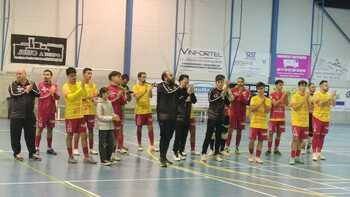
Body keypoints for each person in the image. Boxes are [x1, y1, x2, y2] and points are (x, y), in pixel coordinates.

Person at [62, 67, 96, 164]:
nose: (74, 78)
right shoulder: (65, 86)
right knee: (70, 135)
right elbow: (71, 98)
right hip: (70, 116)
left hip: (80, 115)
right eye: (71, 76)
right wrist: (81, 89)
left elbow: (84, 94)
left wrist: (83, 87)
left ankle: (86, 157)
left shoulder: (79, 84)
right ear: (68, 76)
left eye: (75, 75)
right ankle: (70, 156)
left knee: (84, 135)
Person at [8, 69, 41, 161]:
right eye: (17, 74)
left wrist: (31, 89)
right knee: (15, 136)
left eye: (20, 74)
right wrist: (26, 91)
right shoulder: (12, 85)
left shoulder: (31, 84)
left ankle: (32, 153)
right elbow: (14, 94)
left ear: (25, 75)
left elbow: (38, 94)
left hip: (29, 116)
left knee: (30, 135)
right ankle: (17, 153)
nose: (18, 75)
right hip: (16, 116)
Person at [201, 75, 231, 162]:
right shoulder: (212, 91)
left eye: (223, 82)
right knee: (209, 135)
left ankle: (217, 153)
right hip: (212, 116)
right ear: (216, 82)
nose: (221, 84)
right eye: (220, 82)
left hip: (220, 117)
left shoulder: (224, 91)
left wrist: (227, 92)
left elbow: (228, 103)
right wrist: (223, 93)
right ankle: (203, 153)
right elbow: (211, 100)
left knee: (218, 135)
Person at [73, 68, 98, 156]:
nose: (90, 75)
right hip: (81, 111)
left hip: (91, 111)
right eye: (88, 73)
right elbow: (77, 97)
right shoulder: (78, 84)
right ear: (83, 74)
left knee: (91, 130)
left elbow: (95, 96)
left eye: (91, 73)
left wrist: (95, 100)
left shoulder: (93, 85)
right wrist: (86, 98)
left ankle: (91, 148)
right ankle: (75, 148)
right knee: (78, 131)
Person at [157, 71, 179, 167]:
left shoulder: (175, 86)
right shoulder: (161, 86)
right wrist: (179, 87)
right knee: (164, 137)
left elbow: (179, 97)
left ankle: (164, 157)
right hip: (163, 115)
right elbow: (169, 91)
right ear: (165, 77)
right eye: (170, 75)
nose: (172, 76)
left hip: (173, 115)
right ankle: (162, 158)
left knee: (169, 137)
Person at [35, 69, 60, 155]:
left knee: (50, 130)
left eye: (48, 74)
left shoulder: (54, 85)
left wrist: (54, 93)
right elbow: (38, 95)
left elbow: (58, 97)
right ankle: (36, 148)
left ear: (51, 76)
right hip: (42, 112)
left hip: (51, 112)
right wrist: (48, 92)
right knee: (39, 129)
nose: (46, 76)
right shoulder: (40, 85)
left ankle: (49, 148)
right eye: (44, 74)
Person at [173, 74, 197, 161]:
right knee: (178, 136)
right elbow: (177, 101)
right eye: (185, 81)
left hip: (187, 116)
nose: (186, 83)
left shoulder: (188, 90)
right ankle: (175, 152)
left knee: (184, 136)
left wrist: (192, 93)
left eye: (187, 81)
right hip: (179, 116)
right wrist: (186, 95)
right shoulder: (177, 90)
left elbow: (194, 101)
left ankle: (181, 151)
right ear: (180, 81)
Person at [132, 72, 157, 152]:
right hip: (139, 111)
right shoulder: (135, 87)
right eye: (143, 77)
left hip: (148, 111)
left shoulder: (147, 86)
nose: (144, 78)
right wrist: (146, 90)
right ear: (139, 78)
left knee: (150, 128)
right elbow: (137, 97)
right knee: (139, 129)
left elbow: (150, 96)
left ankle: (152, 145)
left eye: (145, 77)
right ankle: (139, 145)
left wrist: (150, 90)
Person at [311, 80, 336, 161]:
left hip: (326, 118)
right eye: (325, 85)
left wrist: (333, 97)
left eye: (328, 85)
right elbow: (321, 104)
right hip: (317, 118)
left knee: (322, 136)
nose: (327, 87)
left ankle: (319, 152)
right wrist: (330, 97)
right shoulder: (316, 94)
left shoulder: (329, 95)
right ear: (321, 86)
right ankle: (314, 153)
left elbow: (333, 104)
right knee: (316, 135)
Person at [248, 82, 272, 164]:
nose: (261, 90)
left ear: (264, 89)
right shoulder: (253, 98)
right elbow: (252, 109)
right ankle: (251, 155)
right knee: (252, 140)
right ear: (257, 89)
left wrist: (264, 103)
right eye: (259, 89)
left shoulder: (268, 100)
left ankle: (258, 157)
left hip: (263, 124)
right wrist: (260, 103)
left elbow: (267, 111)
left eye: (262, 88)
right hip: (254, 123)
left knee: (261, 141)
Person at [226, 77, 250, 154]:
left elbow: (246, 101)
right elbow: (231, 100)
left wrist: (240, 94)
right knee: (230, 130)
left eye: (241, 82)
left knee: (239, 132)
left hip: (242, 114)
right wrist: (238, 94)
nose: (240, 83)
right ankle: (227, 147)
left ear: (244, 82)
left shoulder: (247, 91)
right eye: (238, 82)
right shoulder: (232, 90)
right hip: (233, 113)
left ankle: (237, 147)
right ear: (237, 82)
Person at [289, 80, 310, 165]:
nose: (303, 87)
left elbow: (311, 108)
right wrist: (304, 98)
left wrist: (308, 100)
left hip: (305, 122)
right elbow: (296, 108)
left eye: (305, 86)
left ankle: (298, 156)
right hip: (296, 122)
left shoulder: (307, 96)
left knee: (301, 141)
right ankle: (292, 157)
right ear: (299, 87)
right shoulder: (295, 96)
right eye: (302, 85)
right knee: (295, 139)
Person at [96, 87, 119, 166]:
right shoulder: (99, 104)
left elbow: (112, 112)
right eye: (106, 93)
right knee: (103, 144)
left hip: (110, 126)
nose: (107, 94)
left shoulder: (109, 102)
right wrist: (111, 118)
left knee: (112, 143)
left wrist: (115, 116)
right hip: (103, 127)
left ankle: (108, 158)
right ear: (102, 94)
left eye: (108, 93)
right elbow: (99, 116)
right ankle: (103, 160)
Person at [108, 71, 128, 157]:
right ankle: (107, 155)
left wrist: (124, 93)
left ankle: (113, 153)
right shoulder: (107, 88)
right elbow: (106, 102)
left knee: (116, 135)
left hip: (118, 116)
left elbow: (124, 102)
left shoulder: (120, 89)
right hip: (109, 116)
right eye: (118, 77)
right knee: (109, 136)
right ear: (112, 77)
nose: (120, 78)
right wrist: (117, 96)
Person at [266, 80, 288, 156]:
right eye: (279, 85)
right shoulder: (272, 94)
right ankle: (269, 149)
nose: (281, 86)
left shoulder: (284, 94)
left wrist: (286, 96)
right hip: (273, 118)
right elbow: (275, 104)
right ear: (276, 85)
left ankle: (276, 149)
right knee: (271, 133)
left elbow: (287, 104)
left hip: (281, 118)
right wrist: (283, 96)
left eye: (282, 85)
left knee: (279, 134)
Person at [304, 82, 316, 153]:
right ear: (308, 88)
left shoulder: (316, 96)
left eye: (314, 87)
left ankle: (308, 147)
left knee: (311, 132)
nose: (313, 88)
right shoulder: (306, 95)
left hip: (314, 115)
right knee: (305, 132)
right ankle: (302, 148)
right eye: (312, 87)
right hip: (306, 115)